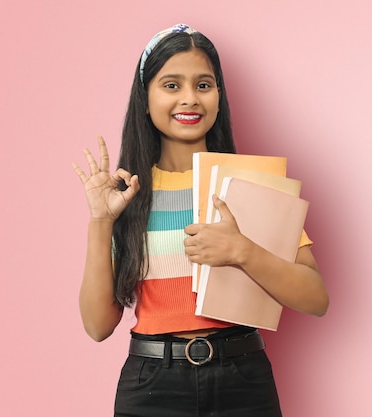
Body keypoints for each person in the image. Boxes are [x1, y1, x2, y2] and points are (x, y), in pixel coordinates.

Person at [72, 23, 329, 417]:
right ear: (145, 98)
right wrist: (100, 221)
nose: (189, 99)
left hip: (244, 379)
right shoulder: (127, 195)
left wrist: (242, 251)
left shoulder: (251, 183)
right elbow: (97, 325)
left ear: (219, 96)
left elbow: (316, 297)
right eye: (171, 85)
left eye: (203, 85)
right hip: (151, 385)